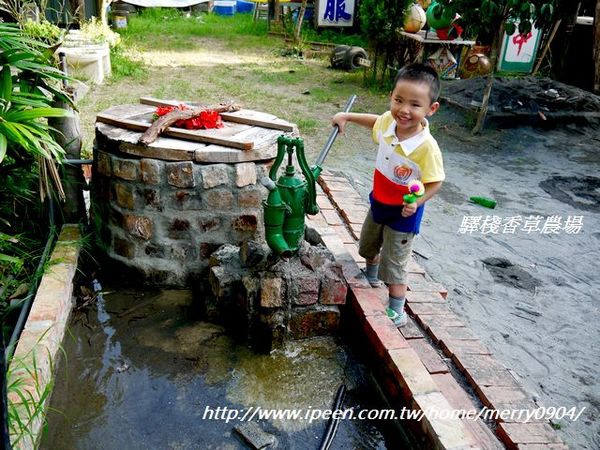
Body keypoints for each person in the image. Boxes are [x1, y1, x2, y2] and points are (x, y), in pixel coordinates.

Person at [331, 63, 445, 327]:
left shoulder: (426, 147)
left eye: (415, 105)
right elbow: (377, 121)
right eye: (398, 100)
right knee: (367, 245)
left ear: (431, 109)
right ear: (391, 96)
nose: (404, 110)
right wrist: (347, 116)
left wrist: (416, 202)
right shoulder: (388, 122)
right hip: (379, 202)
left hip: (404, 214)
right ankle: (370, 275)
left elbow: (436, 182)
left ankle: (397, 309)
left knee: (394, 263)